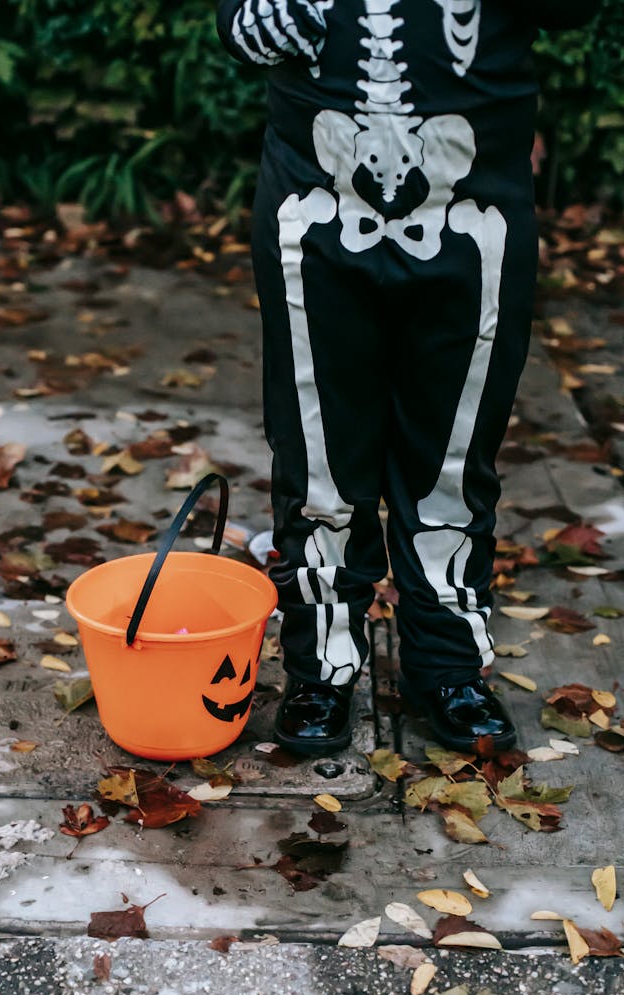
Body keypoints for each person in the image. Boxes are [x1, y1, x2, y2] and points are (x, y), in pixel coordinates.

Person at [216, 0, 601, 754]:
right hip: (315, 205)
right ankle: (322, 666)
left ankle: (448, 663)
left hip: (474, 207)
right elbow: (242, 29)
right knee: (317, 452)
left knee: (453, 454)